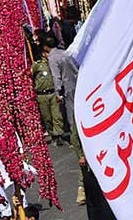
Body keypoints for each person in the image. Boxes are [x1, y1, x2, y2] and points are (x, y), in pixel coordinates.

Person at [42, 36, 86, 205]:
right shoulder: (66, 53)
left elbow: (56, 79)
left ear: (46, 48)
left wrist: (58, 93)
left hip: (68, 93)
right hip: (78, 88)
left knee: (74, 127)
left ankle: (82, 188)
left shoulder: (53, 59)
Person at [31, 50, 63, 146]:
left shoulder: (52, 63)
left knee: (56, 116)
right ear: (43, 54)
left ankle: (58, 136)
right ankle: (52, 134)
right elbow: (29, 74)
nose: (49, 55)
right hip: (42, 95)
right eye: (47, 53)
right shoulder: (38, 65)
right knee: (47, 117)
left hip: (53, 93)